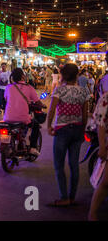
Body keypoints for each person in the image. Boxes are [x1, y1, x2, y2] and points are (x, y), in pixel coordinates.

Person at [46, 63, 89, 207]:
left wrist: (49, 126)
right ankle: (72, 197)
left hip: (62, 130)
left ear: (63, 75)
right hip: (77, 130)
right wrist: (82, 131)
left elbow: (52, 110)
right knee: (74, 165)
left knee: (59, 165)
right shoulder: (83, 91)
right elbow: (85, 115)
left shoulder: (59, 90)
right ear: (77, 75)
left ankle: (64, 197)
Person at [4, 68, 43, 156]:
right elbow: (37, 101)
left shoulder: (8, 87)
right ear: (23, 76)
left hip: (8, 118)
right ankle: (33, 148)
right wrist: (42, 105)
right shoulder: (29, 87)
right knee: (35, 125)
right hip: (23, 118)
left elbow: (6, 98)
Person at [88, 89, 108, 220]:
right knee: (106, 182)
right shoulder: (106, 98)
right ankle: (92, 214)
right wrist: (102, 146)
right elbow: (100, 122)